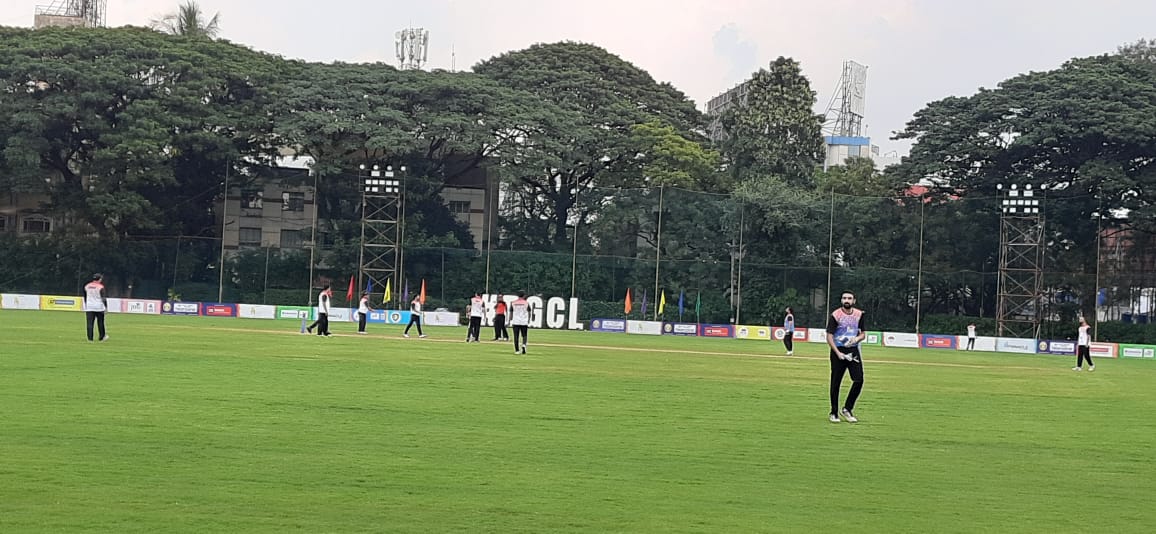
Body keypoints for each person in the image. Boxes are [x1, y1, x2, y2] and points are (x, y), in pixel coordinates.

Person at [827, 291, 866, 423]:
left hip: (853, 351)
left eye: (849, 298)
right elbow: (829, 336)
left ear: (854, 301)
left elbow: (863, 334)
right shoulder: (836, 315)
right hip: (838, 350)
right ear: (841, 300)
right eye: (844, 298)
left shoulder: (859, 314)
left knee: (859, 380)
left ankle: (847, 409)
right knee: (836, 382)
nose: (846, 300)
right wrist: (838, 353)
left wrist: (856, 339)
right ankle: (834, 412)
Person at [82, 273, 109, 342]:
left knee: (89, 323)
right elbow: (103, 298)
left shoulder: (87, 286)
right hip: (99, 307)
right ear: (99, 279)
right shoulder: (100, 287)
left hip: (89, 307)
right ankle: (101, 337)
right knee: (100, 322)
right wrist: (106, 307)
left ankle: (90, 339)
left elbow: (85, 296)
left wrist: (86, 304)